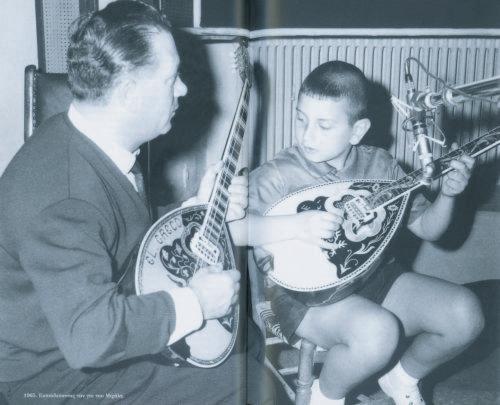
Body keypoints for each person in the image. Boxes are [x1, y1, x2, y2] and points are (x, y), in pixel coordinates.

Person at [0, 2, 268, 404]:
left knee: (245, 338)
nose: (183, 89)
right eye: (171, 78)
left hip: (81, 337)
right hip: (52, 377)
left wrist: (197, 207)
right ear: (128, 94)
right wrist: (195, 302)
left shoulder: (86, 138)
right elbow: (91, 337)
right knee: (248, 381)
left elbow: (115, 228)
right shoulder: (64, 199)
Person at [248, 61, 485, 405]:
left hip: (374, 278)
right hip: (303, 297)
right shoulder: (278, 174)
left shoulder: (381, 166)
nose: (307, 136)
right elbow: (242, 232)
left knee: (465, 314)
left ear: (357, 131)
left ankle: (401, 378)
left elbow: (429, 228)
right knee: (378, 332)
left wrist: (449, 195)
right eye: (301, 119)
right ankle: (325, 397)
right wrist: (298, 229)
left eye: (323, 125)